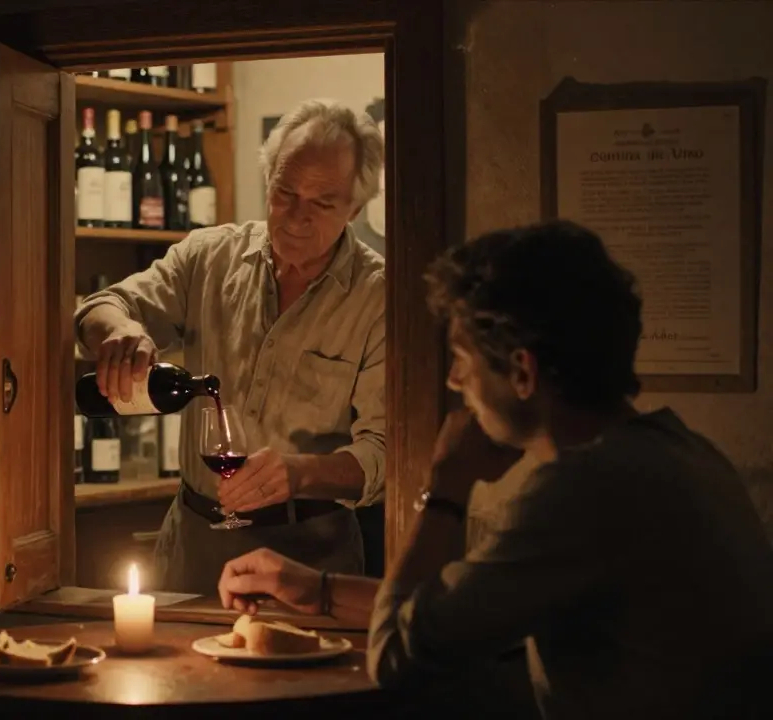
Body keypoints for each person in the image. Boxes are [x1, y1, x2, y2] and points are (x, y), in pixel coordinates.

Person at [216, 220, 773, 719]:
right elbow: (467, 605)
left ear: (523, 373)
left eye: (462, 359)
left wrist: (448, 485)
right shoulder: (679, 451)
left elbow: (398, 656)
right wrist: (314, 589)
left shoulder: (584, 490)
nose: (455, 382)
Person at [75, 98, 387, 594]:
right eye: (284, 193)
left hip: (311, 558)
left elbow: (385, 451)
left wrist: (299, 474)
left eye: (322, 203)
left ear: (355, 205)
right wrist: (118, 330)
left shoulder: (379, 297)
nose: (296, 217)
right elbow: (105, 303)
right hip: (191, 548)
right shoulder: (208, 256)